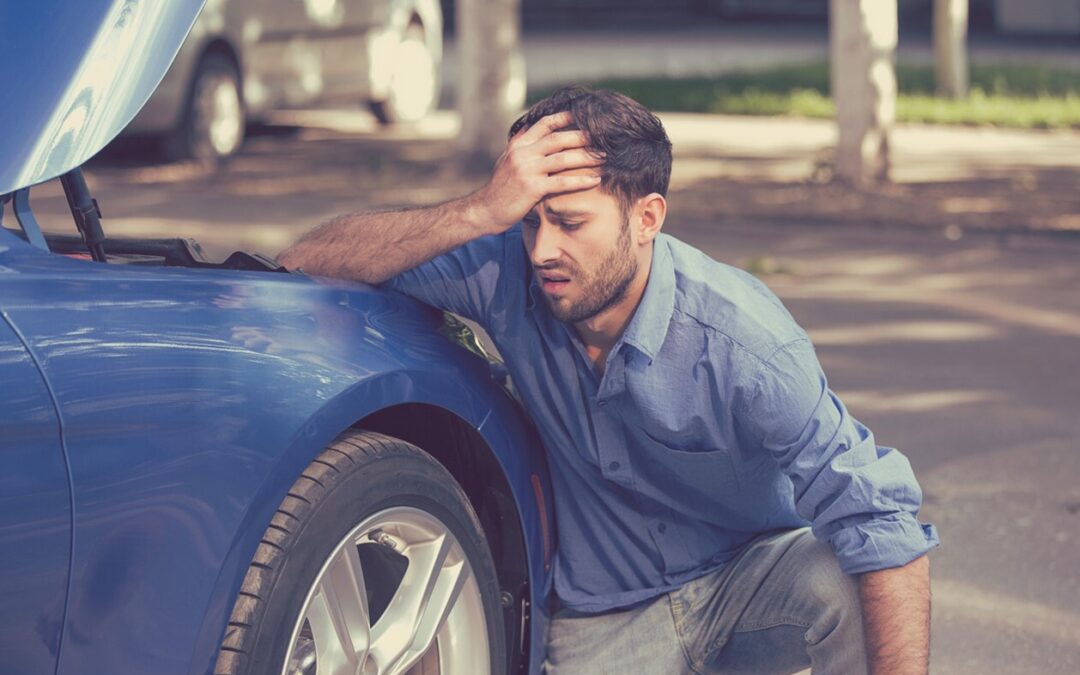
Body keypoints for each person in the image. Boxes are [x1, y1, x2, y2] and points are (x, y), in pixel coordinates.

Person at [277, 86, 939, 675]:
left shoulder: (746, 343)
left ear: (647, 217)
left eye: (569, 222)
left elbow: (881, 518)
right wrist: (480, 211)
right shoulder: (507, 268)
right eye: (531, 220)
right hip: (608, 614)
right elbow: (307, 261)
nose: (541, 250)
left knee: (844, 580)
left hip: (748, 583)